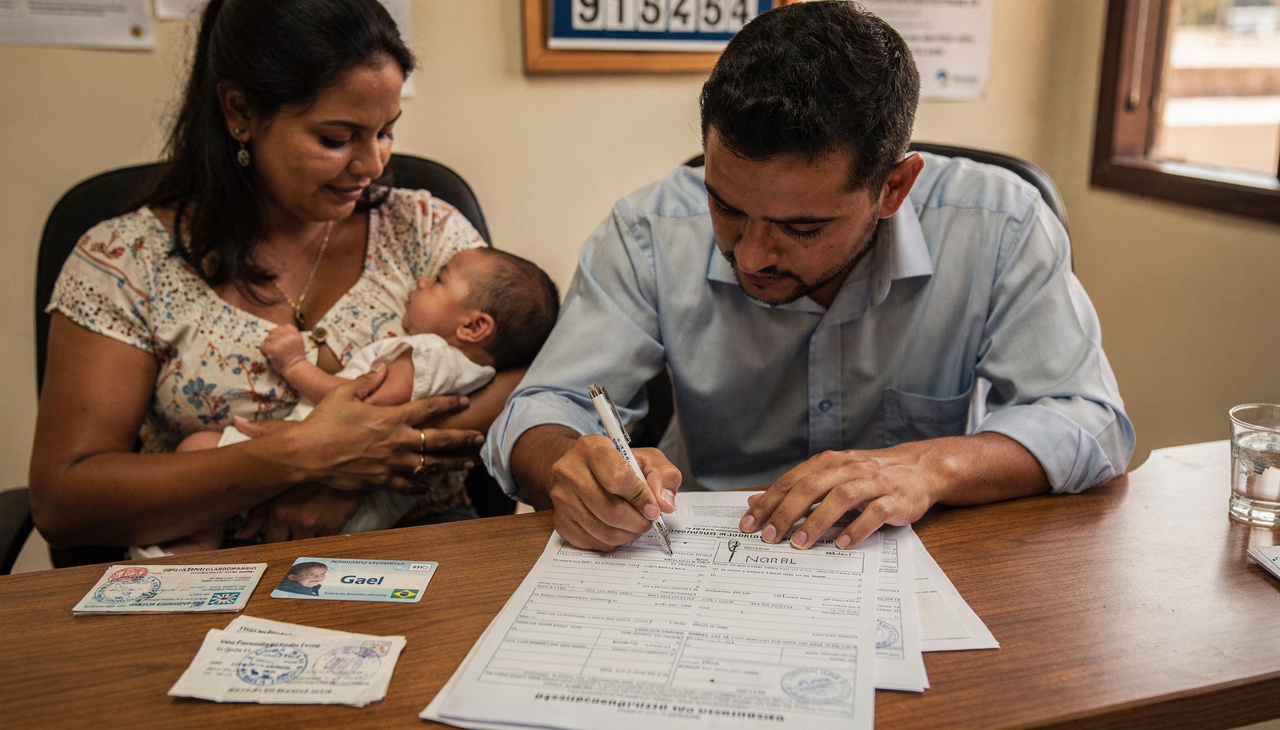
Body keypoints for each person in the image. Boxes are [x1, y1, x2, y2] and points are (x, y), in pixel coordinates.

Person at [484, 1, 1134, 553]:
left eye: (801, 229)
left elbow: (1089, 418)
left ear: (894, 187)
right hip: (708, 557)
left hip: (925, 555)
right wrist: (569, 466)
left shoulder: (999, 225)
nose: (752, 255)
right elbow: (544, 410)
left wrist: (931, 466)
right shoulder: (649, 231)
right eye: (727, 206)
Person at [29, 0, 526, 552]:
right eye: (337, 139)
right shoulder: (127, 261)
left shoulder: (425, 231)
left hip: (417, 554)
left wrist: (355, 487)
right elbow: (63, 502)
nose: (373, 164)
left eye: (386, 131)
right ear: (240, 110)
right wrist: (301, 456)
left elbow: (526, 370)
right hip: (210, 574)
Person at [139, 247, 558, 556]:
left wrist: (294, 364)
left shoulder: (427, 356)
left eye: (440, 280)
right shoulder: (454, 366)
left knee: (198, 451)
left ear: (473, 326)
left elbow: (356, 409)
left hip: (330, 481)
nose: (423, 282)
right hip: (352, 496)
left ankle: (187, 552)